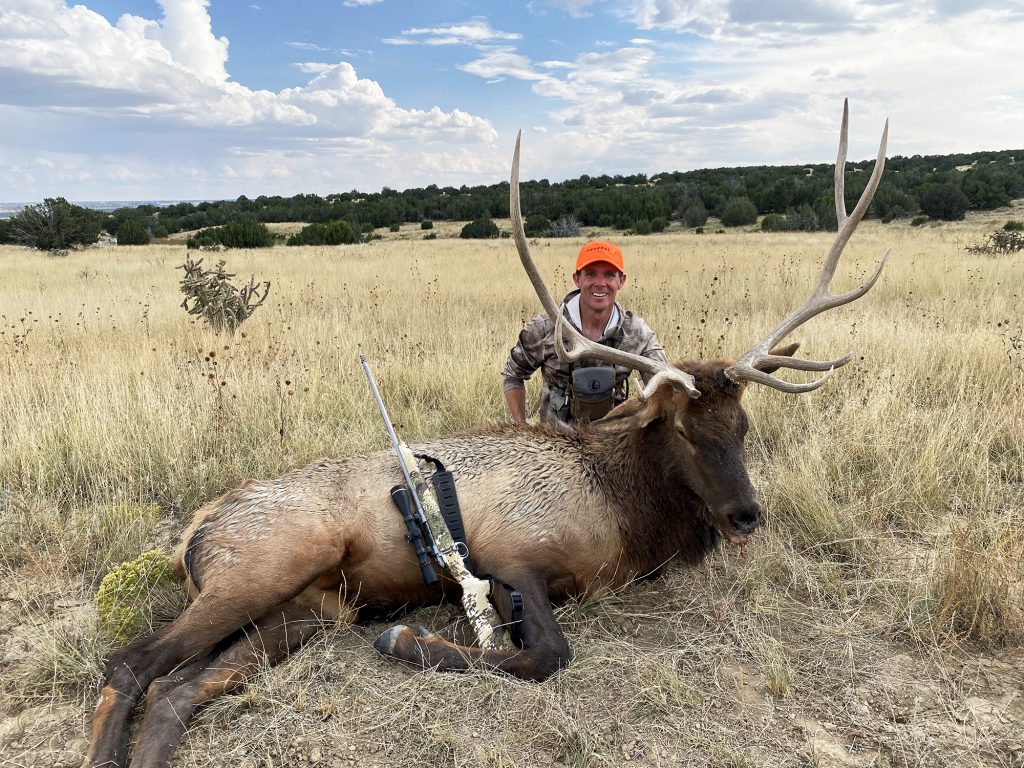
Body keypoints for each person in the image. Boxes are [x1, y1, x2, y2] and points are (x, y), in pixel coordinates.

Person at [502, 240, 667, 428]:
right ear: (577, 279)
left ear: (621, 281)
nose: (600, 283)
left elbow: (664, 385)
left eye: (609, 275)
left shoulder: (636, 333)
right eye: (590, 274)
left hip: (613, 446)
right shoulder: (546, 328)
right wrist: (522, 426)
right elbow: (513, 374)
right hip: (553, 447)